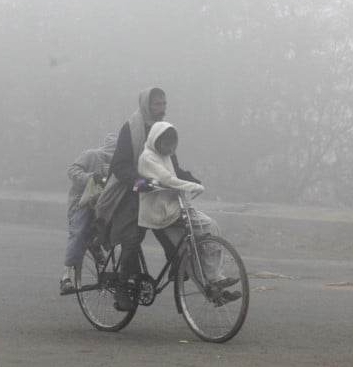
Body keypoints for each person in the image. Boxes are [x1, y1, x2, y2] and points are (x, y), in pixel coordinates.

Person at [95, 87, 200, 311]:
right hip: (131, 194)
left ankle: (177, 266)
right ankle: (123, 288)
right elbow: (119, 165)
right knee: (132, 239)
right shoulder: (131, 129)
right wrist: (137, 179)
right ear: (146, 106)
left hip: (156, 193)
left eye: (164, 105)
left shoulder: (163, 131)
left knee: (171, 229)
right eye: (157, 105)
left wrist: (191, 180)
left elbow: (172, 167)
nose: (161, 110)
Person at [137, 121, 240, 300]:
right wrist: (193, 186)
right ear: (155, 141)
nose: (170, 148)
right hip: (159, 214)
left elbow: (176, 174)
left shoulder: (166, 156)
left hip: (176, 208)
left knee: (211, 227)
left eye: (172, 144)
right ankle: (212, 293)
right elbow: (167, 179)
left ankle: (215, 279)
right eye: (166, 144)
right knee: (188, 254)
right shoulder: (147, 157)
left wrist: (194, 182)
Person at [59, 133, 117, 295]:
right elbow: (72, 170)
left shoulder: (119, 163)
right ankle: (65, 277)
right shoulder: (92, 155)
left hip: (103, 204)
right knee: (77, 234)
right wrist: (89, 177)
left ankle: (105, 268)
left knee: (109, 236)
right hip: (82, 202)